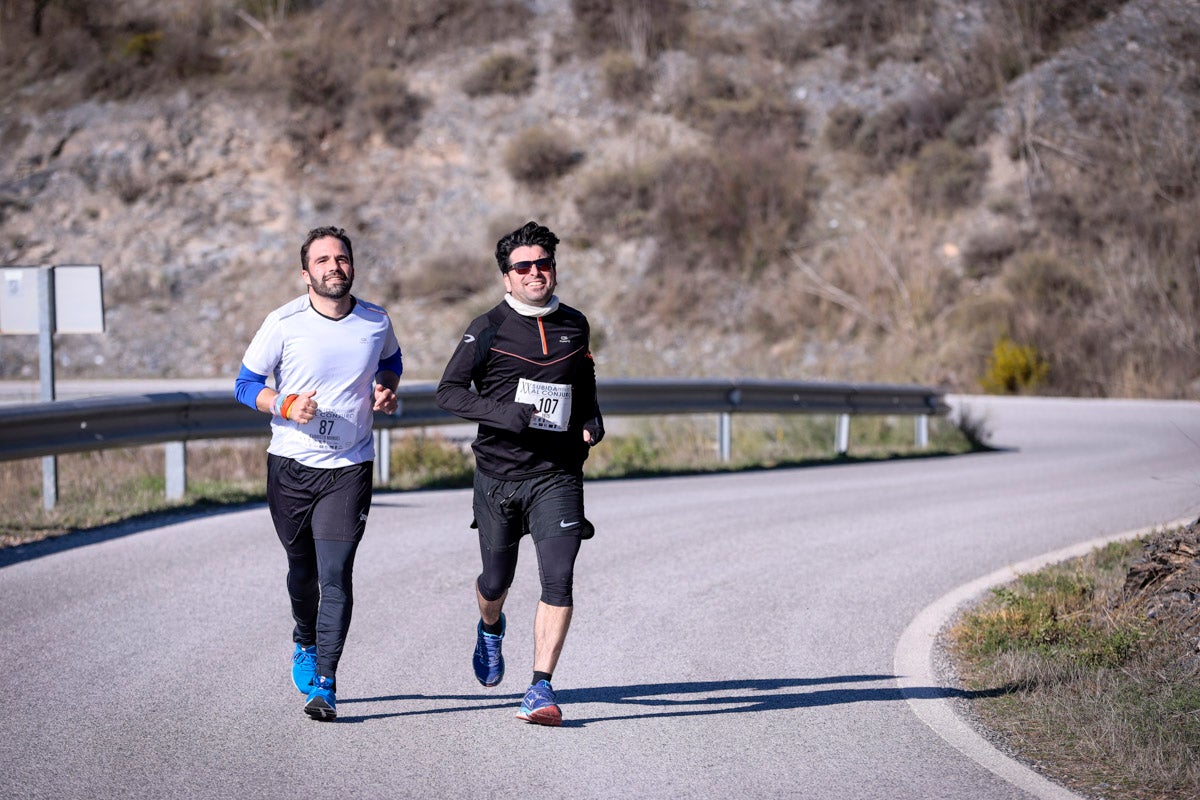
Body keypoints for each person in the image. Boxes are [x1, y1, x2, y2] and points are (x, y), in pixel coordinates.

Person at [436, 220, 604, 727]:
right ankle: (490, 627)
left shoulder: (575, 324)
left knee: (559, 576)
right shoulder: (488, 327)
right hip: (499, 476)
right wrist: (503, 414)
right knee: (495, 580)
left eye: (544, 264)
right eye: (523, 267)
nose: (535, 273)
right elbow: (448, 391)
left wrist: (593, 419)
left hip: (557, 474)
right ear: (506, 277)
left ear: (554, 269)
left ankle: (540, 687)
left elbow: (584, 381)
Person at [233, 225, 403, 721]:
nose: (335, 267)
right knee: (302, 570)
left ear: (352, 265)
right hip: (290, 464)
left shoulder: (375, 320)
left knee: (336, 574)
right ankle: (303, 639)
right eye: (323, 260)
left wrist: (386, 389)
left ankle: (325, 682)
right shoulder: (284, 322)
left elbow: (390, 360)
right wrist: (284, 403)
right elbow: (245, 385)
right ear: (306, 271)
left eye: (342, 258)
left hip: (348, 466)